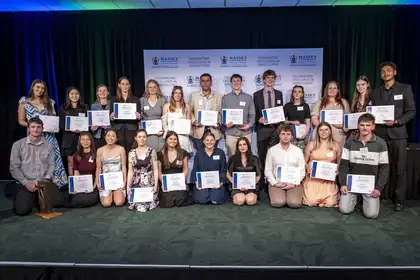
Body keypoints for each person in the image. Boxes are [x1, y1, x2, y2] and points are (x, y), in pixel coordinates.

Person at [370, 61, 416, 212]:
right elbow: (373, 112)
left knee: (399, 168)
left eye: (388, 71)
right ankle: (378, 195)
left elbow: (411, 111)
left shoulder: (405, 89)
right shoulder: (376, 92)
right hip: (380, 135)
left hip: (398, 135)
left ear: (395, 72)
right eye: (383, 71)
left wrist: (397, 121)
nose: (385, 73)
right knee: (379, 167)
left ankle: (399, 200)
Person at [9, 118, 66, 216]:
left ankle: (37, 197)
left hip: (43, 181)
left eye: (38, 127)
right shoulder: (18, 145)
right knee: (22, 211)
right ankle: (28, 197)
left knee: (59, 202)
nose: (36, 130)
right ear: (28, 129)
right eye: (33, 127)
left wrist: (45, 179)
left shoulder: (48, 145)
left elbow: (51, 165)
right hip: (26, 183)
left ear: (42, 129)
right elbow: (14, 168)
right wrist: (26, 183)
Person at [17, 79, 67, 187]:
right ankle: (36, 185)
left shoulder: (50, 102)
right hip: (33, 136)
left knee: (52, 158)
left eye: (42, 88)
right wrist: (34, 126)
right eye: (38, 87)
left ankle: (55, 185)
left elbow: (53, 119)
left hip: (49, 136)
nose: (40, 90)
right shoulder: (24, 102)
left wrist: (53, 126)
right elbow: (21, 120)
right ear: (33, 88)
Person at [339, 113, 390, 218]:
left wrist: (378, 188)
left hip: (370, 186)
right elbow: (344, 165)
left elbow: (384, 168)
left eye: (368, 125)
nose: (365, 128)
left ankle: (365, 202)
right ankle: (354, 200)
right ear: (358, 126)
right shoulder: (349, 142)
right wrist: (343, 183)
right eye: (362, 125)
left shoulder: (381, 143)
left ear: (373, 127)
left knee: (372, 214)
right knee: (344, 210)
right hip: (352, 184)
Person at [253, 70, 284, 187]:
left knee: (275, 156)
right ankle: (261, 182)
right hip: (262, 129)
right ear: (264, 80)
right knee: (262, 155)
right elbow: (254, 112)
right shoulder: (257, 95)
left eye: (272, 78)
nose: (270, 80)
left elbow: (280, 111)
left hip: (276, 129)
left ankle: (273, 181)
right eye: (268, 78)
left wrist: (280, 119)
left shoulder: (279, 94)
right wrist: (258, 119)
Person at [264, 124, 305, 208]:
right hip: (277, 182)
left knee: (294, 203)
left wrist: (295, 183)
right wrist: (275, 183)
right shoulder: (272, 150)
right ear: (279, 135)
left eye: (288, 134)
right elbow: (268, 170)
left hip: (293, 183)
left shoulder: (298, 151)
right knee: (278, 203)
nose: (285, 136)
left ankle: (289, 195)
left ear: (292, 136)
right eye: (283, 134)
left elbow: (302, 170)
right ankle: (278, 194)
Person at [302, 122, 341, 207]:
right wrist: (308, 168)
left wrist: (336, 171)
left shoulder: (336, 145)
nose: (324, 132)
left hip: (328, 180)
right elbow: (304, 162)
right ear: (318, 132)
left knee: (330, 203)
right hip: (313, 179)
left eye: (326, 129)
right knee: (311, 201)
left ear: (330, 131)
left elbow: (339, 163)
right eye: (321, 130)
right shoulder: (311, 145)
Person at [222, 74, 256, 157]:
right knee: (232, 157)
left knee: (246, 156)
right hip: (231, 132)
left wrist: (249, 125)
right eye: (234, 81)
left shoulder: (248, 97)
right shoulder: (225, 98)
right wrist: (225, 123)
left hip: (245, 133)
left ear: (241, 83)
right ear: (231, 83)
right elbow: (222, 114)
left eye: (238, 81)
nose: (236, 83)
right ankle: (232, 170)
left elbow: (252, 114)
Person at [191, 132, 229, 205]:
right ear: (203, 141)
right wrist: (197, 182)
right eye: (207, 140)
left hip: (217, 183)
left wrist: (221, 183)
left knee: (216, 198)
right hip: (203, 183)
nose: (209, 142)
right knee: (202, 199)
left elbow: (223, 169)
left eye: (211, 140)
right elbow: (195, 169)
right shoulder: (199, 153)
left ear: (215, 141)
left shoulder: (220, 153)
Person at [126, 129, 159, 212]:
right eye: (139, 137)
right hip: (136, 182)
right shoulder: (131, 153)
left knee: (147, 204)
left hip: (149, 182)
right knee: (136, 204)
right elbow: (130, 171)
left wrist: (155, 185)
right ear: (135, 138)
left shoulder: (152, 151)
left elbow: (155, 169)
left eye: (144, 137)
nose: (142, 139)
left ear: (146, 138)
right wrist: (128, 186)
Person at [58, 86, 89, 176]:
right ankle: (73, 184)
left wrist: (83, 128)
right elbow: (60, 124)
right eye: (72, 94)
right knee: (71, 162)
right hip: (68, 139)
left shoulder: (85, 107)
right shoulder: (63, 108)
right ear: (68, 95)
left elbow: (88, 122)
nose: (74, 96)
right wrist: (71, 129)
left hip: (82, 138)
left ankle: (83, 183)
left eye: (76, 94)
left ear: (79, 95)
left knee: (83, 160)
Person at [157, 131, 192, 208]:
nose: (173, 141)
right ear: (166, 140)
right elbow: (159, 172)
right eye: (170, 139)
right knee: (167, 201)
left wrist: (182, 181)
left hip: (179, 181)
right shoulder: (160, 154)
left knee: (181, 198)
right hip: (166, 181)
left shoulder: (183, 152)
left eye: (175, 139)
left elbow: (186, 169)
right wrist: (164, 182)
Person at [189, 73, 223, 151]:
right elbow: (189, 111)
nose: (205, 83)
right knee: (200, 155)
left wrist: (219, 123)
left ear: (211, 82)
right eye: (203, 81)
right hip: (199, 131)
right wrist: (194, 121)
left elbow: (221, 113)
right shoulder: (194, 96)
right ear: (200, 83)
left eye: (207, 81)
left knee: (213, 155)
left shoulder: (219, 96)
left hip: (214, 131)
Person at [311, 81, 350, 146]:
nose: (332, 90)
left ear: (338, 90)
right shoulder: (319, 102)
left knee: (337, 154)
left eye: (334, 88)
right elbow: (314, 118)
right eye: (330, 88)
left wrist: (343, 126)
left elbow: (347, 119)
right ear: (326, 90)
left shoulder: (344, 102)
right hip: (322, 133)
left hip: (338, 133)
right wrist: (322, 127)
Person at [226, 136, 262, 206]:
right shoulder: (233, 158)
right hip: (237, 187)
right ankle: (239, 196)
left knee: (250, 201)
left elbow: (258, 175)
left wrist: (251, 184)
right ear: (237, 147)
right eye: (240, 145)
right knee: (240, 201)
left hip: (251, 186)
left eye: (244, 144)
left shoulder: (254, 158)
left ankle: (248, 196)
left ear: (248, 145)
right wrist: (236, 184)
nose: (242, 147)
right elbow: (228, 174)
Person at [95, 128, 127, 207]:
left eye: (113, 136)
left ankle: (116, 193)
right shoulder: (99, 150)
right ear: (105, 137)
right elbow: (98, 168)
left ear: (116, 138)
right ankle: (110, 194)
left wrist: (124, 181)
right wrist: (98, 182)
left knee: (119, 203)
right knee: (106, 204)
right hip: (105, 180)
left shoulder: (121, 149)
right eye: (108, 136)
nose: (110, 138)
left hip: (118, 180)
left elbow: (123, 166)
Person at [110, 77, 141, 155]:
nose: (125, 86)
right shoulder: (114, 100)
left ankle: (131, 166)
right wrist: (111, 117)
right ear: (119, 85)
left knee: (132, 150)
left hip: (131, 129)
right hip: (118, 129)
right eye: (123, 84)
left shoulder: (135, 99)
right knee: (118, 150)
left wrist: (138, 116)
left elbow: (139, 118)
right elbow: (111, 117)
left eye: (127, 84)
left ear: (129, 86)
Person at [70, 132, 100, 208]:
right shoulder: (76, 156)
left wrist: (94, 186)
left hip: (93, 184)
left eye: (88, 140)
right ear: (80, 141)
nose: (85, 142)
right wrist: (76, 187)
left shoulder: (96, 154)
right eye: (83, 140)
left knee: (89, 200)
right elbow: (76, 171)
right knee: (76, 199)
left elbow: (98, 171)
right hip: (82, 185)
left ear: (91, 141)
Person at [162, 86, 194, 154]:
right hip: (171, 137)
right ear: (172, 94)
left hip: (183, 137)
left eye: (180, 93)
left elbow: (189, 122)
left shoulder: (186, 106)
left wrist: (190, 130)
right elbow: (164, 123)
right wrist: (168, 133)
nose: (177, 95)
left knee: (183, 157)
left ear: (182, 95)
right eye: (176, 93)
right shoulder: (167, 106)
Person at [140, 79, 166, 152]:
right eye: (150, 87)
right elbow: (140, 117)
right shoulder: (142, 100)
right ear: (147, 89)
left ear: (157, 88)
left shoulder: (162, 99)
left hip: (159, 130)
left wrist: (164, 129)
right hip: (147, 131)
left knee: (159, 151)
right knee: (148, 152)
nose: (152, 89)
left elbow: (165, 116)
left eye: (154, 87)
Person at [283, 85, 311, 150]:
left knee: (301, 154)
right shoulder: (287, 106)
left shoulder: (306, 106)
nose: (297, 93)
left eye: (299, 92)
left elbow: (308, 123)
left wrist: (305, 134)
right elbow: (282, 121)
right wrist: (292, 122)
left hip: (303, 134)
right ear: (292, 94)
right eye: (295, 92)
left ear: (302, 94)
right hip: (290, 134)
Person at [90, 84, 112, 148]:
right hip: (97, 135)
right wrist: (92, 128)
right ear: (97, 93)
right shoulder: (93, 106)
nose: (102, 92)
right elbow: (91, 122)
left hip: (110, 135)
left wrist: (108, 126)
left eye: (104, 91)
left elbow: (116, 121)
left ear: (108, 92)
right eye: (100, 91)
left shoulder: (112, 104)